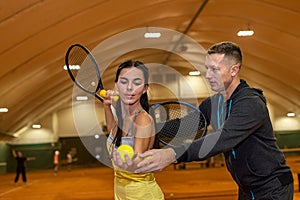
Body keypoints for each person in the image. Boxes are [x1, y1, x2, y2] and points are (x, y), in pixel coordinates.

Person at [131, 42, 294, 199]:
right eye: (207, 69)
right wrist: (143, 126)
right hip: (246, 189)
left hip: (273, 188)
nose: (208, 75)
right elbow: (185, 126)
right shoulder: (213, 103)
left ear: (233, 70)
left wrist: (172, 154)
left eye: (215, 69)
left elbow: (222, 139)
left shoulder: (250, 103)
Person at [103, 60, 164, 199]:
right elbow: (112, 135)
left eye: (136, 83)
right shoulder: (123, 118)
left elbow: (137, 163)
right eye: (124, 82)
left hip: (142, 195)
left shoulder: (143, 120)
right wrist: (107, 107)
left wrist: (122, 159)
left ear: (144, 88)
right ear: (117, 85)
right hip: (122, 195)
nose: (129, 87)